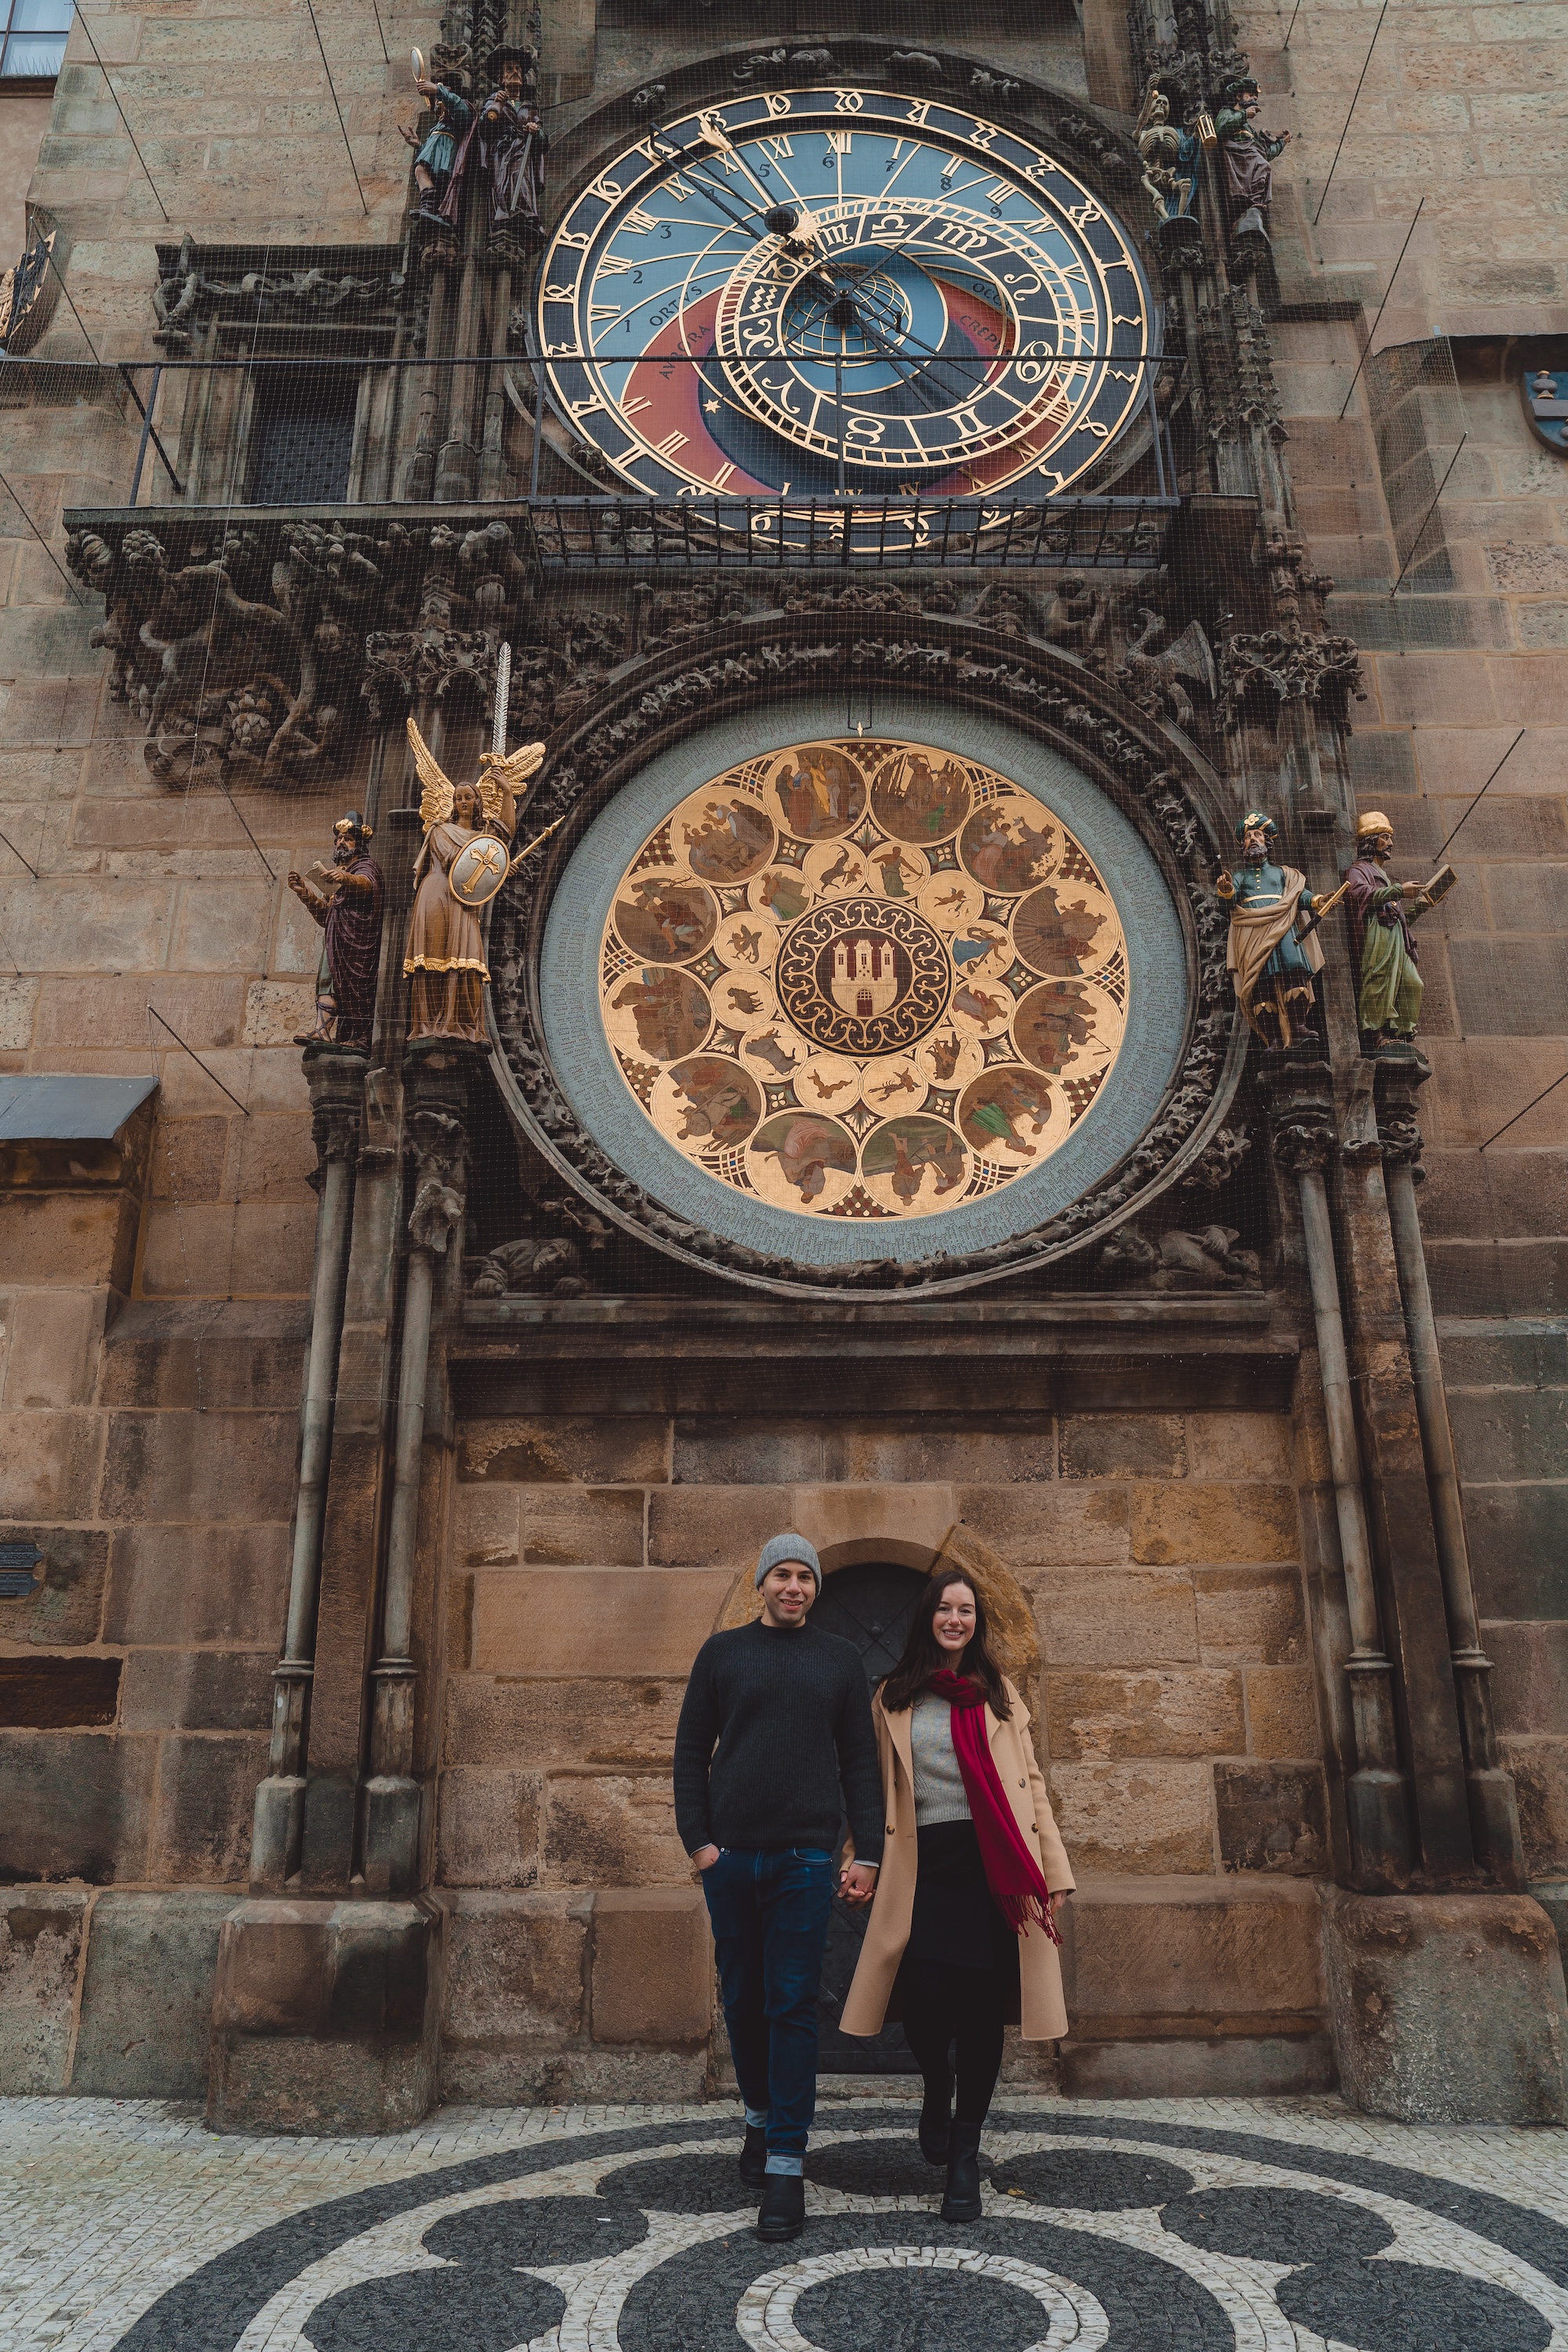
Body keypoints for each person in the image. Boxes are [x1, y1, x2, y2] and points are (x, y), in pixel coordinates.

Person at [840, 1569, 1073, 2223]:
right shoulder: (893, 1696)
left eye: (966, 1610)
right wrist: (859, 1859)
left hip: (993, 1868)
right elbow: (871, 1790)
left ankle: (965, 2152)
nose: (955, 1619)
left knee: (977, 2011)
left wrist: (1052, 1872)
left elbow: (1032, 1785)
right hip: (921, 1868)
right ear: (927, 1618)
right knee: (924, 2005)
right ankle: (936, 2084)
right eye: (944, 1608)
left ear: (977, 1622)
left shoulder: (1000, 1694)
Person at [673, 1534, 882, 2244]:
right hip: (731, 1860)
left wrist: (869, 1853)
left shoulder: (839, 1661)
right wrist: (700, 1846)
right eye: (782, 1575)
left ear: (815, 1588)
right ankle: (758, 2122)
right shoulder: (722, 1654)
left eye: (805, 1577)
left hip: (803, 1861)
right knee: (744, 1999)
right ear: (761, 1582)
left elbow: (859, 1760)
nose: (794, 1586)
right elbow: (689, 1752)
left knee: (791, 2002)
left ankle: (787, 2162)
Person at [1214, 809, 1324, 1049]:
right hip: (1251, 932)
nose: (1253, 839)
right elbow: (1227, 903)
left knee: (1295, 972)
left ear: (1267, 841)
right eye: (1247, 837)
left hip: (1283, 927)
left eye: (1258, 835)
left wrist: (1316, 901)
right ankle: (1272, 1037)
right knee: (1258, 984)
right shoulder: (1239, 877)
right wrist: (1225, 890)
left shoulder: (1283, 873)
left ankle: (1298, 1027)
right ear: (1242, 845)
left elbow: (1297, 895)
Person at [288, 811, 384, 1048]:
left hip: (358, 943)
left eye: (348, 838)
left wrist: (344, 877)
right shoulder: (338, 878)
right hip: (335, 940)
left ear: (359, 843)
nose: (341, 842)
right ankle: (322, 1030)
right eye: (339, 838)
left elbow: (367, 885)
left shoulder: (365, 866)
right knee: (327, 982)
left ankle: (362, 1038)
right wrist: (305, 894)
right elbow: (325, 916)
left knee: (357, 987)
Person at [1345, 809, 1431, 1052]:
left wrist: (1420, 908)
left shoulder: (1382, 873)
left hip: (1395, 936)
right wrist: (1398, 891)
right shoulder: (1358, 869)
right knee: (1378, 980)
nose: (1390, 843)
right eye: (1385, 837)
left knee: (1412, 984)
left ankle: (1399, 1032)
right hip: (1377, 934)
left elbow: (1398, 916)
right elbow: (1359, 894)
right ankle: (1376, 1034)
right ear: (1371, 841)